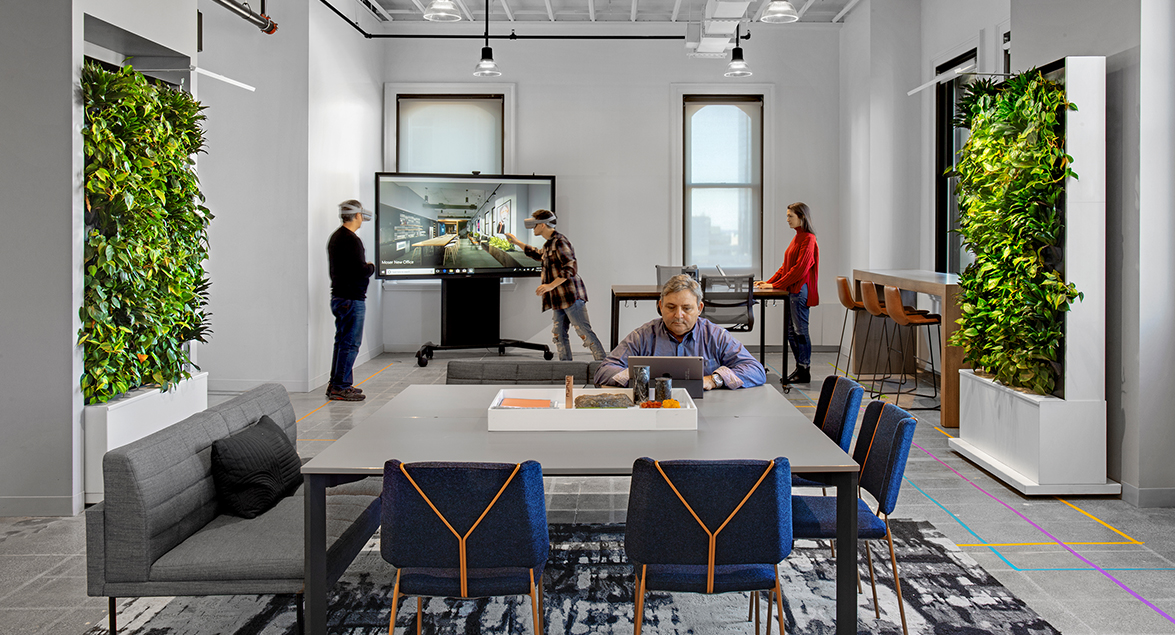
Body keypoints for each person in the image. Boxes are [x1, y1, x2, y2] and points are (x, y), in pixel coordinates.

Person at [594, 274, 766, 389]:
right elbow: (603, 371)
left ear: (699, 308)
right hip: (654, 409)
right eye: (670, 307)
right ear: (660, 307)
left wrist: (714, 380)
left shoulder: (716, 336)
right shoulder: (643, 336)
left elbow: (755, 370)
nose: (678, 315)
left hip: (708, 411)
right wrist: (638, 375)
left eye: (686, 308)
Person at [506, 210, 607, 361]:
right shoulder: (549, 244)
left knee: (584, 332)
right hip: (559, 299)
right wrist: (517, 242)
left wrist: (550, 286)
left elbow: (570, 267)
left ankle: (603, 366)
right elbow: (538, 254)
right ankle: (566, 369)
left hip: (571, 296)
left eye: (534, 225)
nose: (533, 228)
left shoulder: (560, 241)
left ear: (541, 225)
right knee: (558, 334)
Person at [756, 201, 819, 384]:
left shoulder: (809, 239)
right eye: (787, 216)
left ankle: (804, 369)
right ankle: (800, 368)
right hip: (793, 291)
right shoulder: (797, 238)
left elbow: (800, 269)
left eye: (790, 216)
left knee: (800, 331)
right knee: (792, 332)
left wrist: (777, 285)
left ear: (802, 217)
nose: (787, 220)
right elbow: (786, 267)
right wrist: (769, 282)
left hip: (800, 291)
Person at [326, 199, 376, 401]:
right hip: (351, 299)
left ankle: (336, 383)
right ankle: (341, 386)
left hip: (340, 297)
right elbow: (360, 271)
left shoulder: (337, 237)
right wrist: (371, 267)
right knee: (349, 344)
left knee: (342, 343)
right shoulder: (351, 240)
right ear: (357, 215)